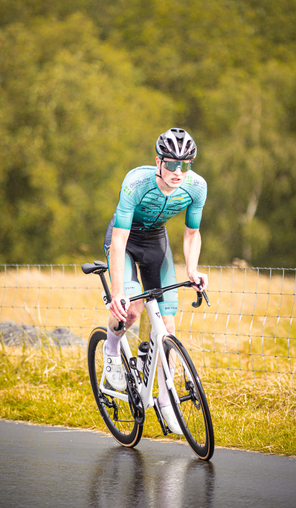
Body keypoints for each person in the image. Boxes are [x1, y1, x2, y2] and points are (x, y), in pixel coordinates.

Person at [103, 128, 208, 434]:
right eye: (172, 164)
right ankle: (111, 350)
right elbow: (119, 240)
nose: (178, 171)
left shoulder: (196, 187)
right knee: (132, 310)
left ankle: (166, 401)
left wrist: (192, 270)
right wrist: (119, 291)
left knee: (168, 328)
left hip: (155, 243)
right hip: (125, 239)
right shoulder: (136, 182)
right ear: (159, 161)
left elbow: (192, 234)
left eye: (185, 165)